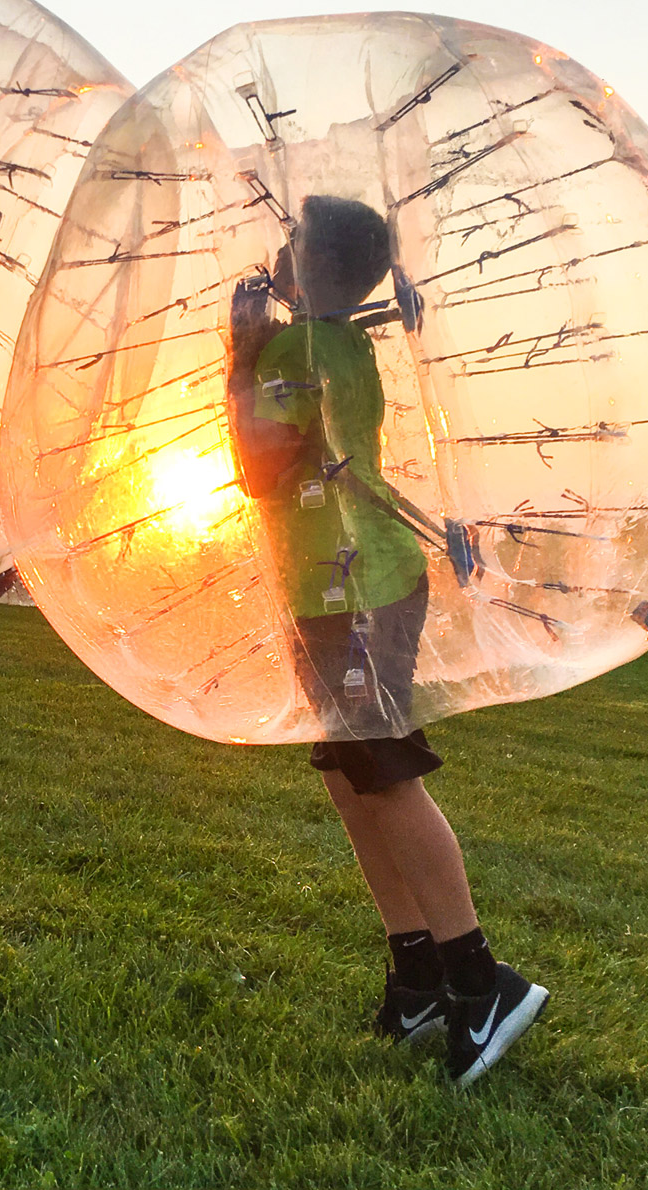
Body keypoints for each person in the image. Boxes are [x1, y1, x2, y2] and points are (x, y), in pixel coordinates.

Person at [231, 195, 548, 1086]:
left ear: (314, 264)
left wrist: (241, 352)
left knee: (381, 766)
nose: (276, 251)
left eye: (290, 240)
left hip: (352, 584)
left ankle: (482, 982)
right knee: (350, 771)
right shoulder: (344, 343)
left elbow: (255, 465)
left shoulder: (298, 349)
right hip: (345, 580)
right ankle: (416, 972)